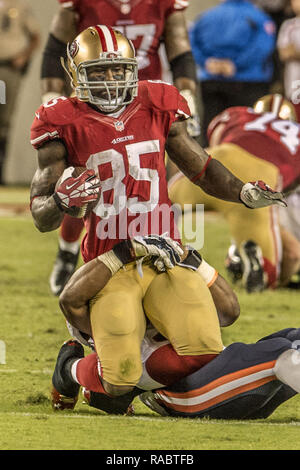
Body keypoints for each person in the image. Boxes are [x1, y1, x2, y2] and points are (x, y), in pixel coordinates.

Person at [30, 26, 285, 398]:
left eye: (119, 71)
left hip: (166, 253)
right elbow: (40, 215)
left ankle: (144, 381)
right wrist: (59, 203)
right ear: (77, 74)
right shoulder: (61, 119)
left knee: (202, 351)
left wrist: (242, 191)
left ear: (134, 69)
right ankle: (70, 370)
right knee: (118, 380)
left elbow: (201, 167)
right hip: (109, 261)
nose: (112, 81)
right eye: (99, 72)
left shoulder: (158, 101)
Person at [41, 0, 200, 296]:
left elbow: (180, 51)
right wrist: (51, 91)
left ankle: (161, 247)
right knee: (85, 182)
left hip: (144, 99)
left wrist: (187, 90)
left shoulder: (163, 4)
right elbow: (54, 48)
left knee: (151, 181)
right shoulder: (81, 4)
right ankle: (68, 250)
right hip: (93, 98)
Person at [51, 244, 300, 420]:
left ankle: (75, 373)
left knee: (292, 337)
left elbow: (229, 311)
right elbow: (71, 300)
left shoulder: (159, 291)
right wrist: (120, 255)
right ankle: (69, 369)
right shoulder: (126, 337)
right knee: (281, 353)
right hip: (191, 395)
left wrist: (193, 260)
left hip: (217, 382)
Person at [169, 93, 300, 293]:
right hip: (260, 178)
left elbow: (213, 139)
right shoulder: (295, 134)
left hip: (219, 162)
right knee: (272, 272)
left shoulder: (238, 114)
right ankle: (253, 261)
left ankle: (145, 248)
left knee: (159, 202)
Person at [189, 0, 276, 147]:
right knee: (247, 132)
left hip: (211, 81)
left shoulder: (206, 16)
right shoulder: (258, 17)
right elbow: (263, 46)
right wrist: (235, 64)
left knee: (212, 129)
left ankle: (210, 167)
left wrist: (207, 62)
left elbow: (190, 42)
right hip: (248, 82)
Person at [0, 0, 40, 184]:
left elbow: (35, 36)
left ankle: (0, 173)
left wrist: (22, 57)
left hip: (5, 71)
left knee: (2, 119)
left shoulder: (18, 6)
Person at [277, 0, 300, 121]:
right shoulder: (289, 25)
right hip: (295, 84)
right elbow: (284, 53)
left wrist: (295, 51)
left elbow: (291, 52)